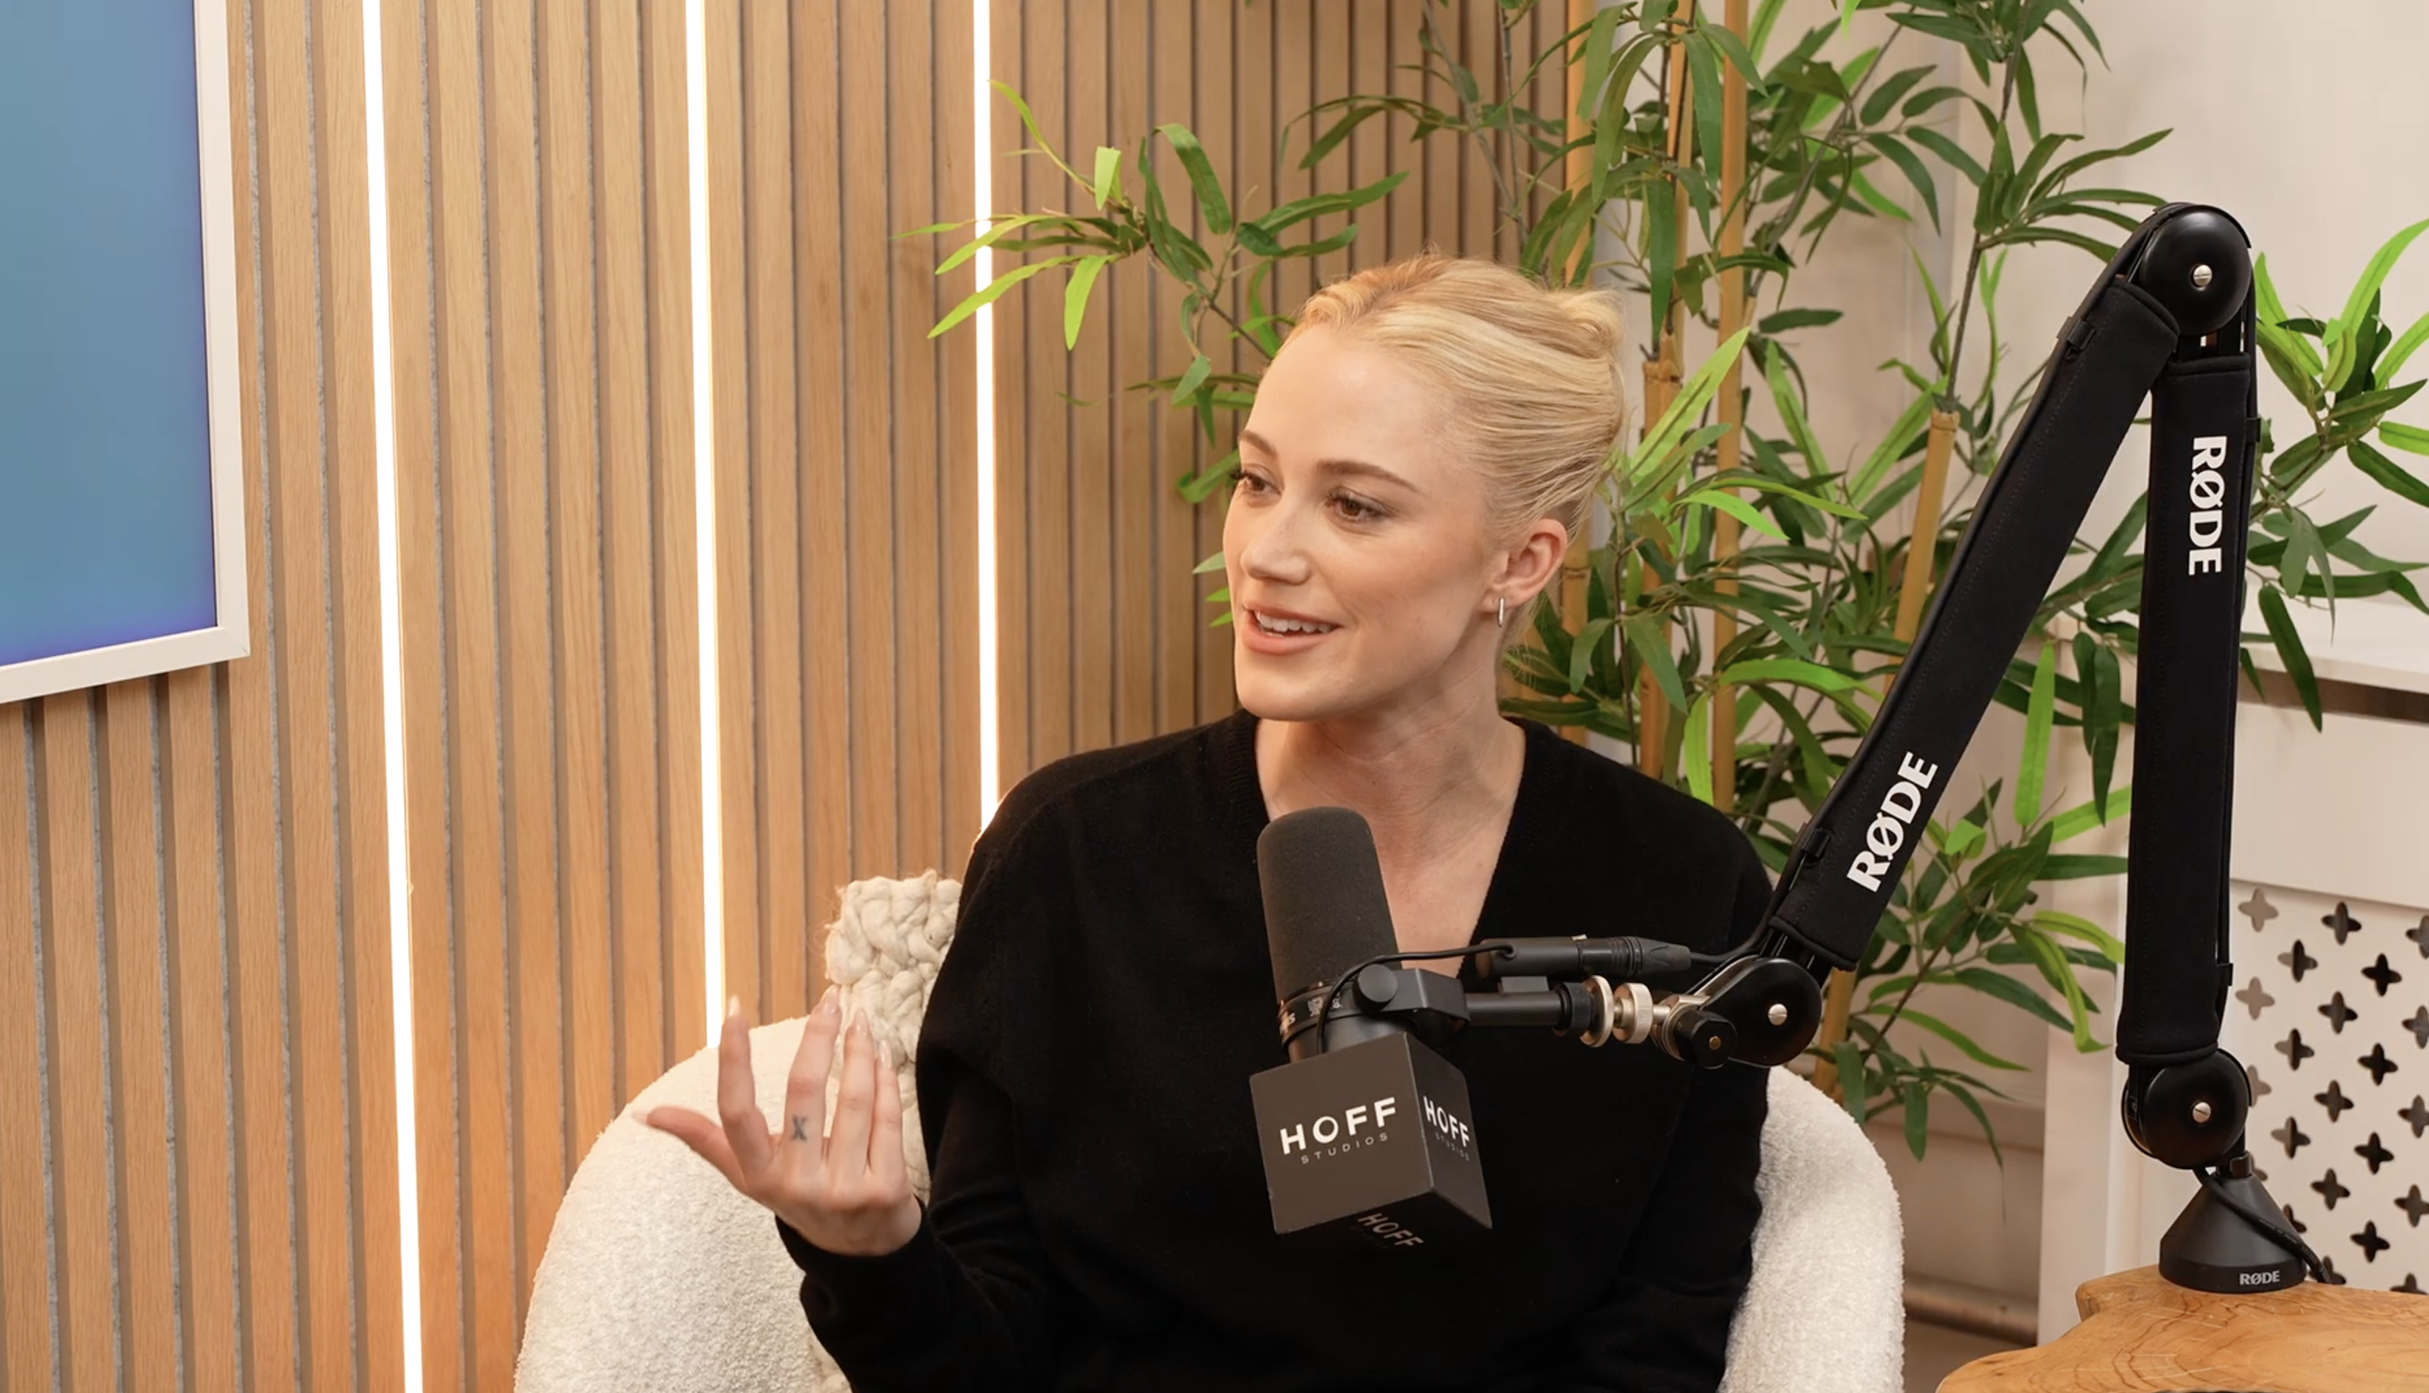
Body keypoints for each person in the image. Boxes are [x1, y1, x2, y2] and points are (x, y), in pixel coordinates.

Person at [647, 253, 1774, 1391]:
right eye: (1255, 480)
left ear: (1519, 561)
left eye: (1353, 504)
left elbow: (1654, 1351)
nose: (1264, 554)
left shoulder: (1681, 886)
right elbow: (990, 1357)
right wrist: (874, 1258)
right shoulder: (1071, 856)